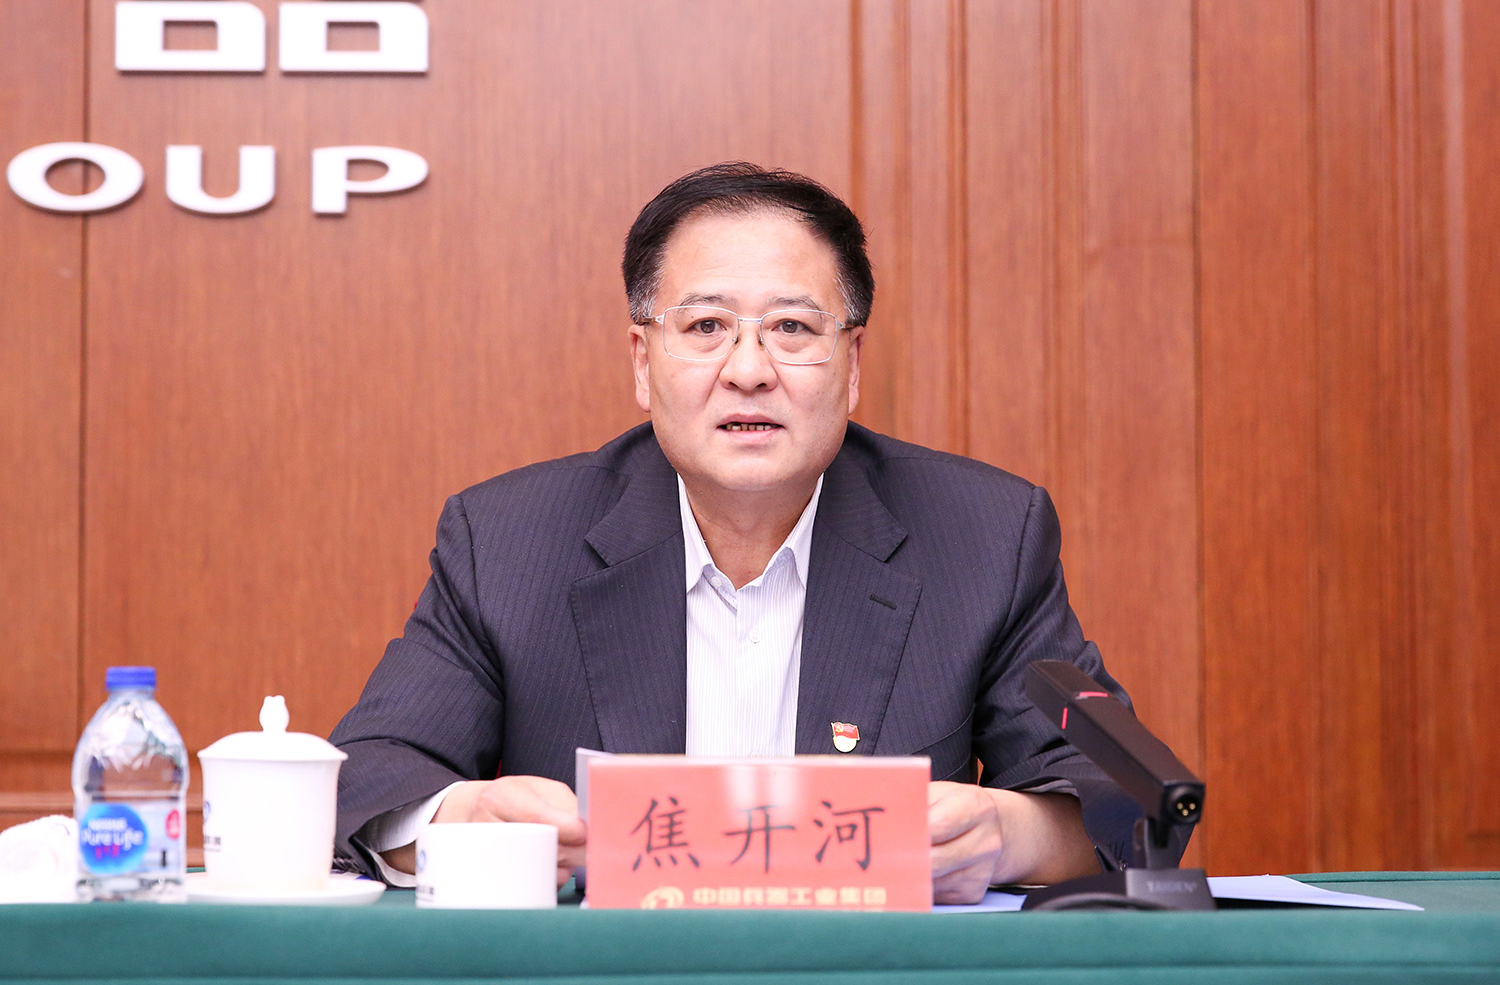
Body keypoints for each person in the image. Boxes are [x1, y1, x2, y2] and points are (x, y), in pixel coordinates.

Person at [331, 162, 1166, 904]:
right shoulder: (510, 541)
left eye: (793, 329)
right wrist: (467, 816)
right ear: (641, 361)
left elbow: (1127, 799)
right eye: (705, 327)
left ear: (853, 365)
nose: (749, 369)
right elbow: (367, 777)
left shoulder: (981, 536)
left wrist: (1005, 835)